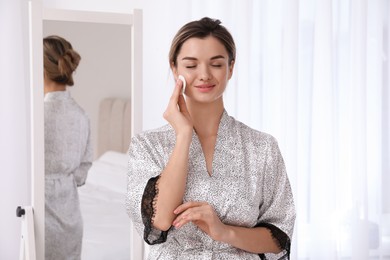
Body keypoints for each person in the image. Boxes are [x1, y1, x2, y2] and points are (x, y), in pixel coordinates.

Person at [126, 17, 295, 260]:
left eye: (216, 64)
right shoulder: (147, 146)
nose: (204, 75)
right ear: (174, 68)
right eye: (191, 65)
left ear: (231, 67)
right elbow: (160, 221)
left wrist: (224, 232)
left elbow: (279, 238)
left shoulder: (262, 147)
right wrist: (183, 135)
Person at [43, 35, 92, 260]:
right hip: (71, 219)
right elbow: (82, 172)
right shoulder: (81, 115)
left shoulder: (36, 116)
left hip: (40, 217)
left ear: (41, 69)